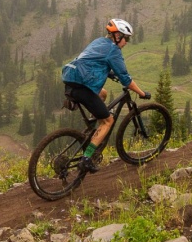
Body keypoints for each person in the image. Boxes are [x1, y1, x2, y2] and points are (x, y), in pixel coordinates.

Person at [61, 18, 148, 171]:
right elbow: (126, 80)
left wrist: (110, 73)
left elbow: (92, 61)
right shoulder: (113, 51)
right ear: (117, 36)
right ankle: (86, 158)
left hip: (71, 80)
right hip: (83, 87)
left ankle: (92, 125)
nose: (126, 42)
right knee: (108, 121)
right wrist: (141, 93)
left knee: (103, 93)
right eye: (126, 38)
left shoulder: (99, 41)